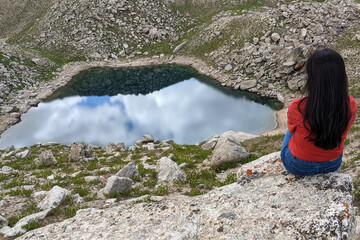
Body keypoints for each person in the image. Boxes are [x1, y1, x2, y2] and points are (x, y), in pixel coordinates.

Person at [281, 48, 358, 176]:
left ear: (312, 77)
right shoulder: (350, 105)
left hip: (298, 166)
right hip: (332, 164)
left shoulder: (297, 106)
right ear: (341, 76)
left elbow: (291, 129)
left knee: (290, 132)